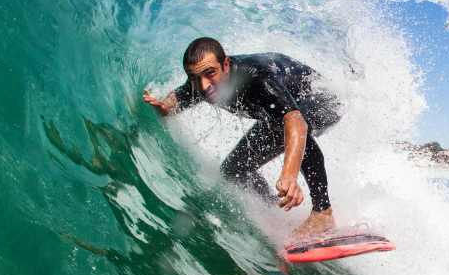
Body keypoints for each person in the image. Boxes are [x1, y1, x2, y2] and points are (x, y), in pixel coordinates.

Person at [143, 37, 341, 238]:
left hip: (323, 100)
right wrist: (164, 106)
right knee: (233, 170)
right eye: (195, 78)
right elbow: (180, 97)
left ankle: (323, 212)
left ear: (226, 65)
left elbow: (295, 121)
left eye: (210, 73)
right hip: (286, 112)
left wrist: (289, 175)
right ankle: (275, 210)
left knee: (288, 126)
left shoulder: (257, 78)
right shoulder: (202, 80)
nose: (204, 86)